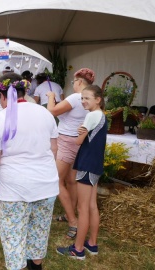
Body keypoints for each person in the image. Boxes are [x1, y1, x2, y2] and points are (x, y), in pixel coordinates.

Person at [0, 72, 59, 270]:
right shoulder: (45, 113)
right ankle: (36, 266)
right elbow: (54, 149)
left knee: (14, 236)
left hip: (15, 188)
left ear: (3, 95)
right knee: (39, 231)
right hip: (46, 185)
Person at [56, 85, 107, 260]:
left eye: (87, 98)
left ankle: (77, 249)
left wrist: (80, 132)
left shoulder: (92, 115)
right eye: (82, 98)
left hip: (86, 165)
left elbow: (78, 141)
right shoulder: (101, 115)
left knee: (82, 208)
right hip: (95, 164)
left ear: (98, 99)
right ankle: (92, 243)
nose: (83, 101)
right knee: (92, 205)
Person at [46, 68, 95, 239]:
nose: (73, 85)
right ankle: (69, 214)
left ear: (80, 81)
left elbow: (51, 111)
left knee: (56, 181)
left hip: (67, 141)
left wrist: (51, 98)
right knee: (71, 181)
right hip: (79, 142)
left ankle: (73, 221)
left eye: (74, 82)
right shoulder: (89, 99)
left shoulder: (75, 97)